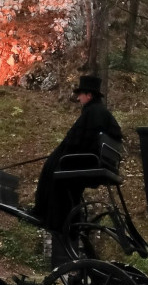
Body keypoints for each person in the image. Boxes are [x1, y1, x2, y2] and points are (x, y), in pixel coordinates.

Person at [32, 75, 122, 244]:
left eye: (81, 94)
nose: (78, 97)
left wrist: (62, 155)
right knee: (54, 166)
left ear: (89, 95)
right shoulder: (99, 112)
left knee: (53, 171)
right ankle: (66, 222)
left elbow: (78, 142)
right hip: (96, 159)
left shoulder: (93, 113)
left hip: (89, 160)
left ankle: (52, 219)